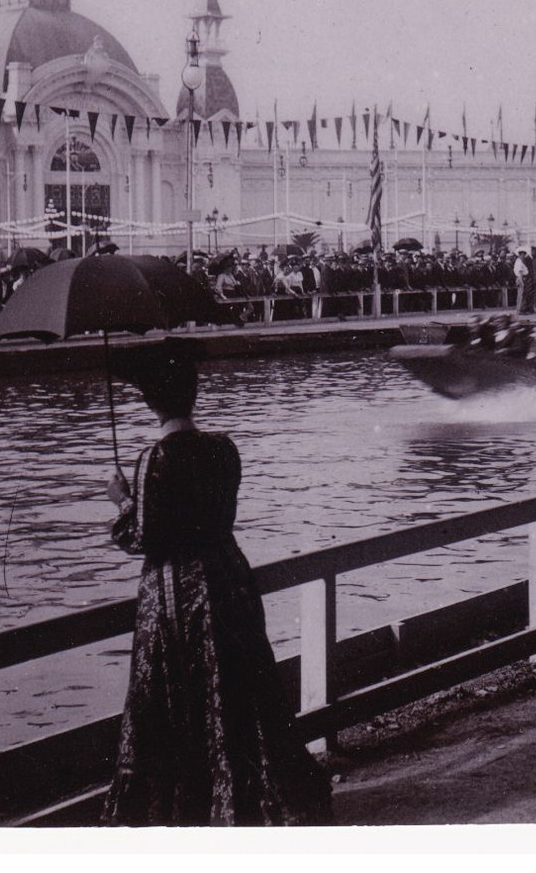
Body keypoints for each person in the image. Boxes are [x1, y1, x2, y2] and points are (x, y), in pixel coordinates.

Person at [102, 339, 332, 827]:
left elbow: (141, 536)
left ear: (150, 402)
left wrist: (121, 500)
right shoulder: (224, 449)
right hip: (229, 580)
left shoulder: (153, 460)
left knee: (174, 697)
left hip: (175, 593)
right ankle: (252, 797)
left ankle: (185, 806)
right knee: (239, 690)